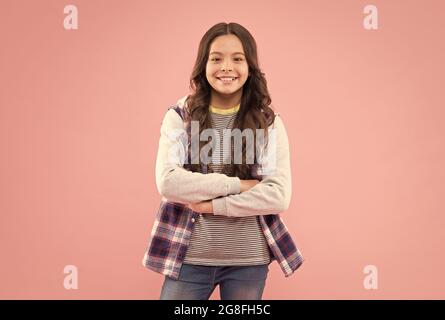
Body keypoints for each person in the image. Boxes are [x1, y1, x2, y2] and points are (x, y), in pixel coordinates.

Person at [142, 22, 304, 300]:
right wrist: (239, 185)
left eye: (237, 59)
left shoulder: (268, 122)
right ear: (203, 65)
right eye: (216, 58)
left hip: (248, 259)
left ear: (250, 67)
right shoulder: (180, 116)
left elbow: (278, 196)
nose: (226, 67)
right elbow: (168, 182)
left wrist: (214, 206)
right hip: (189, 256)